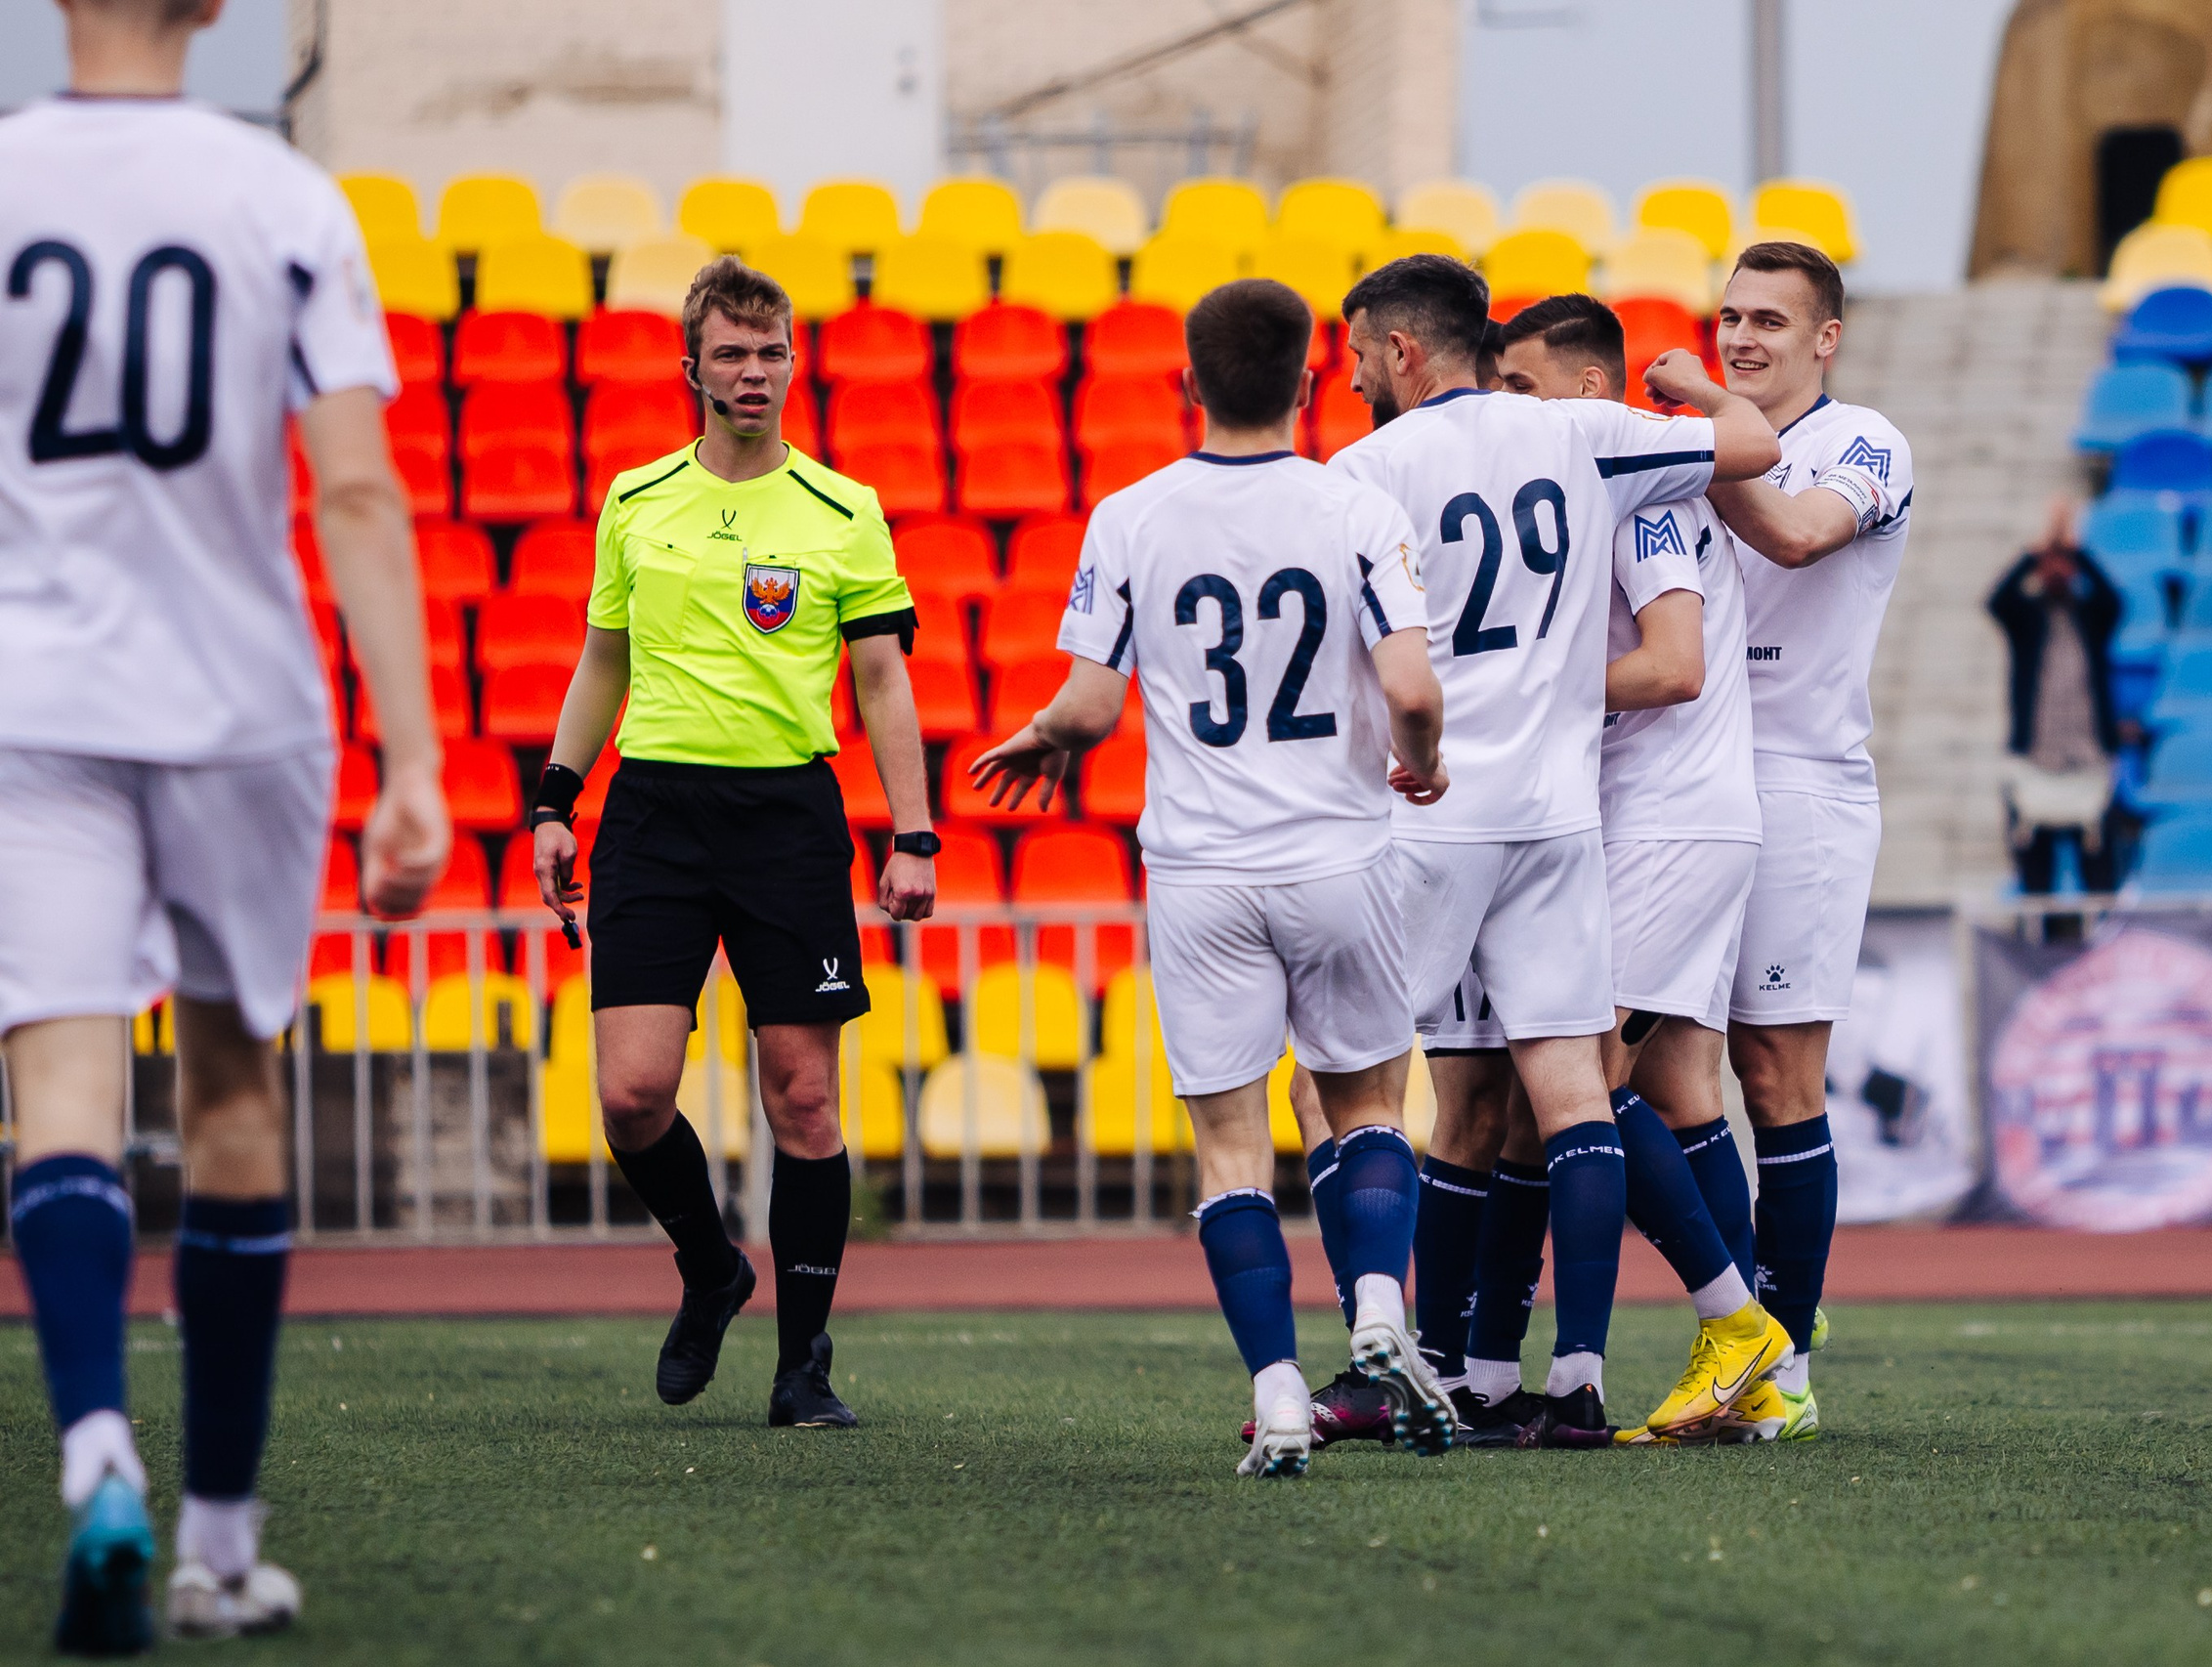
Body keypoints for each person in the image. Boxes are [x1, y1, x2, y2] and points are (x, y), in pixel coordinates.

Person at [0, 0, 450, 1645]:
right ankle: (218, 1541)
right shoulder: (283, 197)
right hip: (236, 705)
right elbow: (351, 488)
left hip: (32, 698)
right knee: (234, 1088)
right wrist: (416, 754)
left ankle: (98, 1447)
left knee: (59, 1081)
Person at [967, 278, 1454, 1475]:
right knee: (1365, 1105)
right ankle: (1381, 1305)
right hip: (1338, 853)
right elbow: (1410, 691)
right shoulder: (1355, 506)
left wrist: (1045, 733)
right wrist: (1420, 767)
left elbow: (1087, 705)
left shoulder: (1131, 516)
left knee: (1232, 1148)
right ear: (1303, 383)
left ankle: (1280, 1391)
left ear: (1186, 383)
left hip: (1201, 871)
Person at [1329, 252, 1780, 1446]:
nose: (1356, 376)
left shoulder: (1368, 468)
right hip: (1560, 810)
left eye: (1364, 353)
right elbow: (1754, 453)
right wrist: (1693, 389)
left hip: (1437, 808)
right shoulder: (1583, 436)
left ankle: (1388, 1362)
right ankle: (1562, 1378)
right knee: (1568, 1091)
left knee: (1366, 1079)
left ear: (1403, 350)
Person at [530, 257, 937, 1432]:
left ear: (793, 362)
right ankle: (712, 1266)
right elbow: (603, 655)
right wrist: (556, 798)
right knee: (632, 1092)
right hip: (654, 814)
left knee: (804, 1098)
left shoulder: (842, 508)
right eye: (732, 354)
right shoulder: (634, 498)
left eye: (770, 353)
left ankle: (802, 1364)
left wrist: (912, 833)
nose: (752, 372)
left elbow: (880, 679)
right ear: (692, 367)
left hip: (785, 819)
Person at [1491, 294, 1796, 1447]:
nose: (1503, 409)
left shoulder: (1634, 486)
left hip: (1669, 819)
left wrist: (1532, 689)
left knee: (1577, 1078)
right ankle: (1749, 1368)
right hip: (1663, 814)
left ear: (1580, 390)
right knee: (1674, 1095)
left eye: (1519, 387)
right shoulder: (1594, 488)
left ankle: (1715, 1329)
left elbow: (1672, 664)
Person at [1707, 240, 1917, 1445]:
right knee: (1647, 1070)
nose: (1742, 338)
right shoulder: (1695, 444)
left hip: (1800, 783)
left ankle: (1779, 1349)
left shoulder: (1866, 441)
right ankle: (1736, 1322)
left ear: (1824, 337)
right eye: (1731, 317)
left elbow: (1792, 536)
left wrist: (1703, 425)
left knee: (1773, 1075)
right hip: (1680, 785)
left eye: (1770, 322)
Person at [1988, 498, 2128, 893]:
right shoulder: (2027, 620)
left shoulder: (2091, 617)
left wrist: (2077, 550)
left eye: (2063, 563)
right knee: (2036, 876)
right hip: (2037, 760)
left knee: (2099, 875)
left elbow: (2114, 600)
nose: (2057, 570)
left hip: (2089, 759)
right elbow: (1997, 601)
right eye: (2050, 563)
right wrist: (2035, 551)